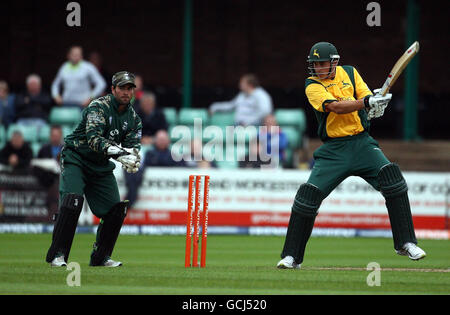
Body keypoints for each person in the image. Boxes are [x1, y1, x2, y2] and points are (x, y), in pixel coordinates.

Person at [277, 42, 425, 270]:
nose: (318, 68)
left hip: (362, 144)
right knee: (308, 197)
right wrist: (365, 103)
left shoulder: (350, 72)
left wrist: (375, 103)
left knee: (393, 179)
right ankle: (292, 257)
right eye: (314, 64)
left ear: (334, 62)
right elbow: (335, 107)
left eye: (322, 63)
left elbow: (366, 96)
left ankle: (405, 243)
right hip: (334, 150)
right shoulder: (312, 85)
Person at [45, 71, 142, 268]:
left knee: (116, 210)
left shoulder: (133, 118)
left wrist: (132, 158)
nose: (126, 92)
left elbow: (133, 146)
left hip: (101, 165)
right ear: (113, 89)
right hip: (76, 158)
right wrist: (119, 153)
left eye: (130, 88)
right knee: (72, 201)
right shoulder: (98, 107)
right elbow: (94, 139)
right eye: (122, 87)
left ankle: (100, 257)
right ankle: (58, 255)